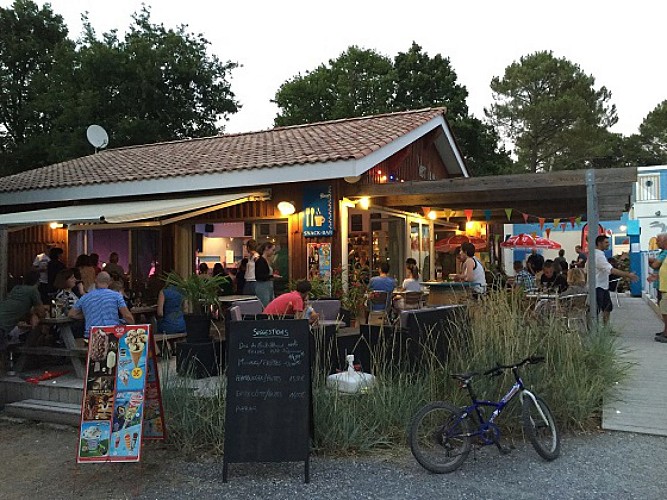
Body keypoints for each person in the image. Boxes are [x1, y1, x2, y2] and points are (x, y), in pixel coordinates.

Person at [0, 270, 45, 370]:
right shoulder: (33, 291)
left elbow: (19, 305)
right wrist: (35, 314)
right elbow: (41, 312)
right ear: (38, 281)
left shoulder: (16, 289)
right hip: (3, 325)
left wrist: (31, 313)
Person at [589, 235, 638, 325]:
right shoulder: (598, 256)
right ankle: (594, 329)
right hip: (598, 286)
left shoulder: (599, 255)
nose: (608, 244)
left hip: (603, 286)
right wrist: (628, 275)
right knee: (597, 309)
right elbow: (610, 270)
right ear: (599, 243)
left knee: (607, 307)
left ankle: (605, 329)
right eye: (606, 242)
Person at [68, 272, 134, 337]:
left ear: (95, 281)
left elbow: (71, 314)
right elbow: (127, 316)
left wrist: (87, 315)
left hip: (91, 336)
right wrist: (133, 325)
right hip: (111, 335)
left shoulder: (85, 297)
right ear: (109, 282)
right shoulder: (116, 296)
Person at [648, 233, 667, 342]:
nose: (657, 243)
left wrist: (652, 262)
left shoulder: (664, 253)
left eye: (659, 241)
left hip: (665, 288)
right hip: (662, 286)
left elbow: (655, 265)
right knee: (663, 310)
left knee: (665, 311)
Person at [254, 242, 276, 307]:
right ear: (266, 248)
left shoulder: (267, 260)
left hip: (268, 286)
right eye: (272, 250)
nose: (273, 252)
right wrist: (272, 276)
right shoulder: (260, 260)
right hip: (263, 287)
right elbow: (259, 276)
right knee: (265, 305)